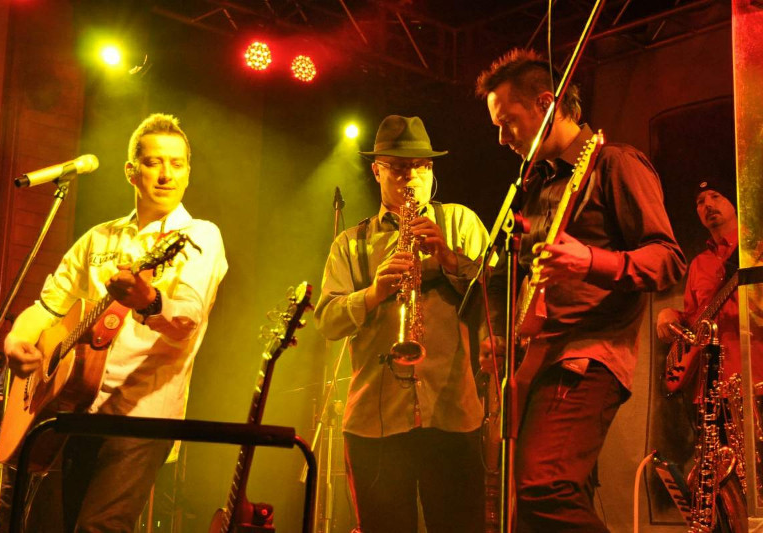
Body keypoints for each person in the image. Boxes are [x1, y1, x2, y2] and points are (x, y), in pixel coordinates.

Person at [475, 49, 686, 531]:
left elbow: (668, 259)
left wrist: (590, 260)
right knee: (527, 514)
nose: (502, 138)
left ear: (546, 103)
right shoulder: (535, 187)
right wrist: (505, 337)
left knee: (543, 485)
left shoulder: (615, 163)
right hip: (539, 359)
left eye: (508, 122)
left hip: (588, 355)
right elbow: (523, 282)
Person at [3, 113, 228, 532]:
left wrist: (148, 300)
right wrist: (17, 340)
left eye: (177, 164)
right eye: (154, 162)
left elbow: (188, 319)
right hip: (71, 408)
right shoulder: (98, 238)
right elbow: (47, 307)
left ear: (188, 172)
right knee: (42, 527)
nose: (166, 174)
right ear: (131, 171)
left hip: (142, 417)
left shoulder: (200, 235)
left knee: (100, 528)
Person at [314, 115, 489, 532]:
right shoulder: (350, 243)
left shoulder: (461, 222)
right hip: (375, 426)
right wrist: (373, 293)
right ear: (377, 171)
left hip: (453, 415)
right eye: (398, 167)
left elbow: (499, 295)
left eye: (421, 167)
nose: (411, 177)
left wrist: (450, 259)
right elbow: (327, 322)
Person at [656, 179, 763, 394]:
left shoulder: (756, 249)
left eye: (716, 196)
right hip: (711, 388)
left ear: (734, 204)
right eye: (700, 201)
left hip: (756, 378)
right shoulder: (698, 264)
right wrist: (670, 314)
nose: (708, 204)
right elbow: (694, 318)